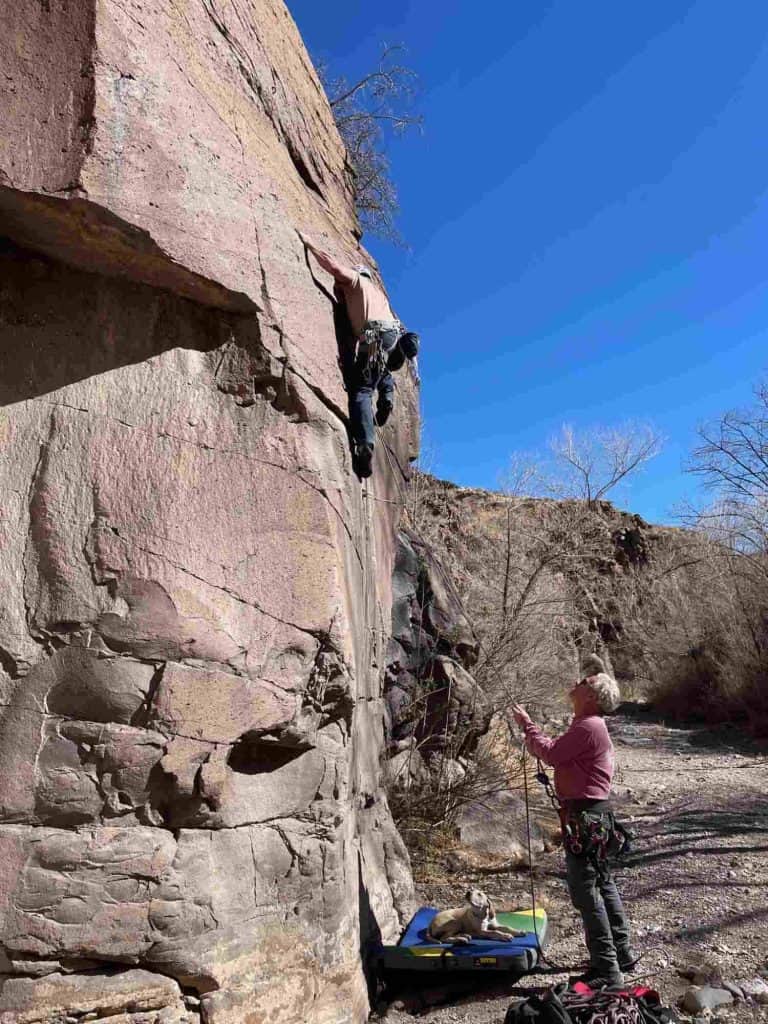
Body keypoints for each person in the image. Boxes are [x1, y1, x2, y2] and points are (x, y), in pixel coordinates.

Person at [511, 660, 638, 988]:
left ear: (592, 696)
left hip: (586, 818)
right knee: (603, 884)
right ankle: (620, 954)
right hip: (593, 816)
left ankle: (607, 969)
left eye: (585, 680)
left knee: (586, 893)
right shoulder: (589, 725)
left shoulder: (589, 726)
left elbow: (551, 754)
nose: (578, 682)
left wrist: (527, 726)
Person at [299, 232, 419, 478]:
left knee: (362, 390)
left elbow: (331, 265)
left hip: (374, 336)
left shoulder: (355, 282)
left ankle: (365, 446)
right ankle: (387, 395)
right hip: (390, 337)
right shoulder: (379, 296)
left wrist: (307, 242)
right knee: (379, 367)